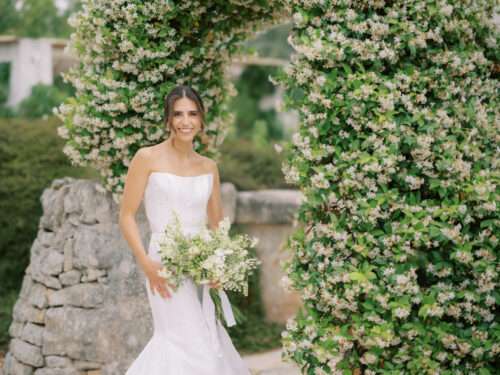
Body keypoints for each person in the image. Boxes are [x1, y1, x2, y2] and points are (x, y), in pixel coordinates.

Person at [119, 85, 250, 374]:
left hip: (202, 266)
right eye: (178, 114)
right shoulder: (147, 158)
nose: (185, 121)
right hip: (163, 265)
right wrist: (146, 264)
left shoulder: (209, 167)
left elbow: (217, 224)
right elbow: (126, 215)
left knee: (206, 339)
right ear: (168, 120)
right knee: (186, 342)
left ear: (202, 119)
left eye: (192, 114)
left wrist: (219, 266)